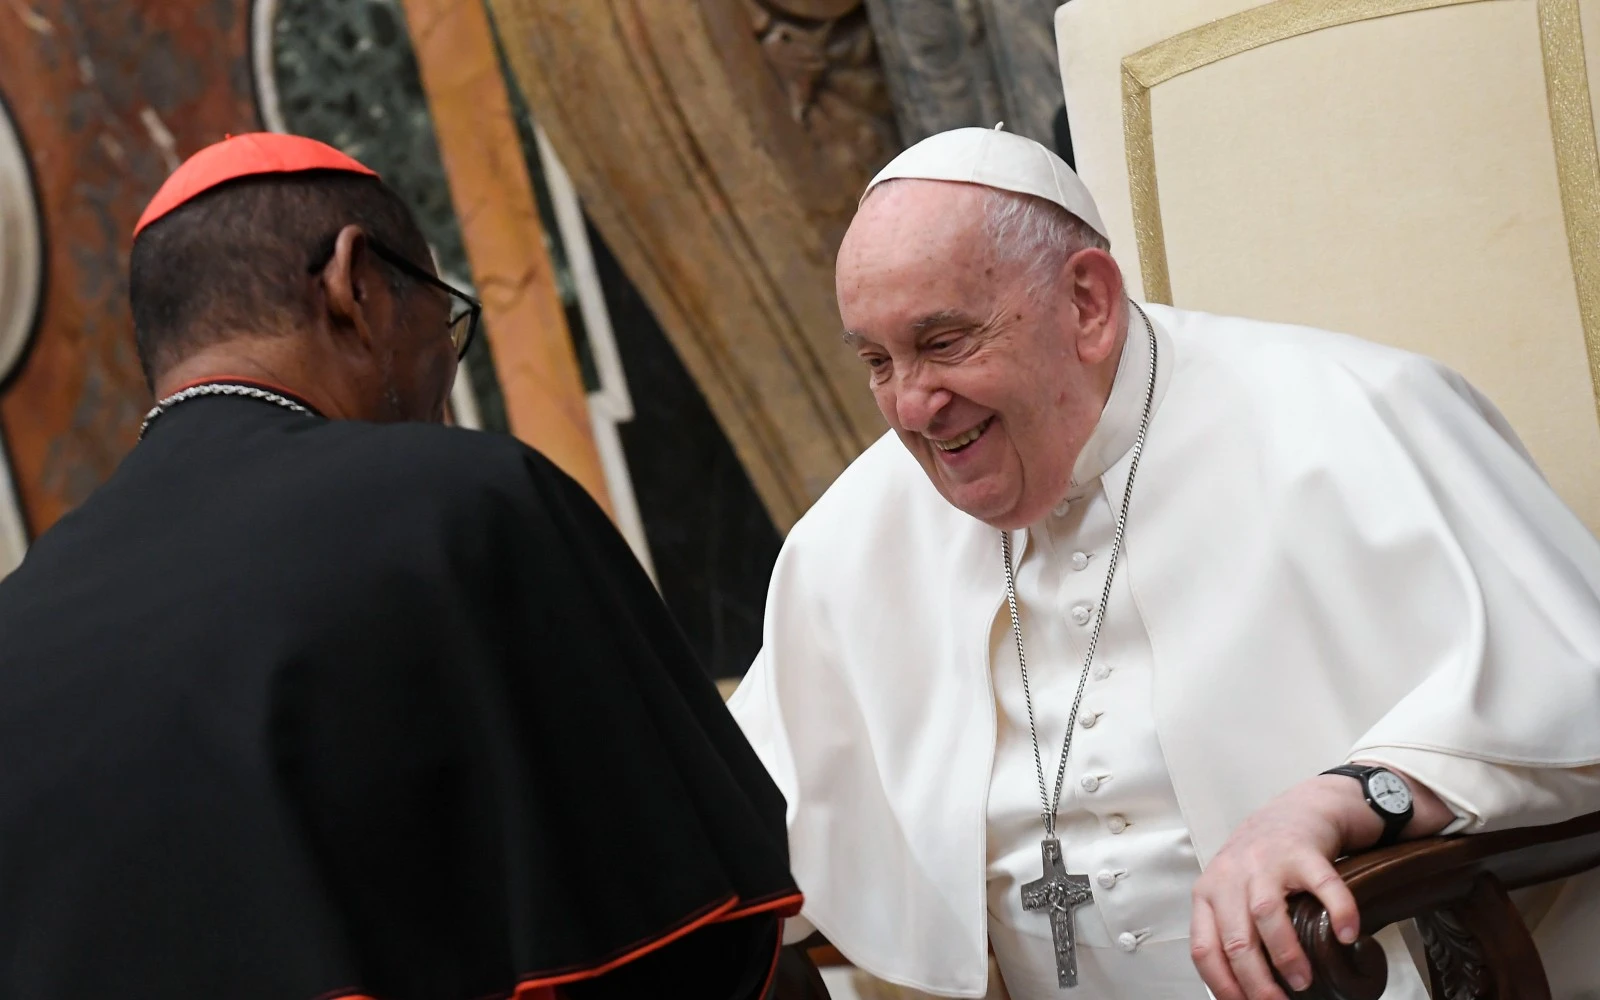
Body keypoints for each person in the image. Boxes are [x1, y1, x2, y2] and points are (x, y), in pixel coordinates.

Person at [727, 125, 1600, 1000]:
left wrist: (1342, 799)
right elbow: (745, 836)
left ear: (1088, 305)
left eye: (945, 342)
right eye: (878, 361)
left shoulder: (1353, 416)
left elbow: (1569, 689)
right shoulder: (850, 539)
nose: (913, 406)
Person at [0, 133, 800, 1000]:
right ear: (358, 285)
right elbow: (697, 931)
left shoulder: (15, 631)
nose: (444, 382)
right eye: (445, 320)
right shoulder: (465, 506)